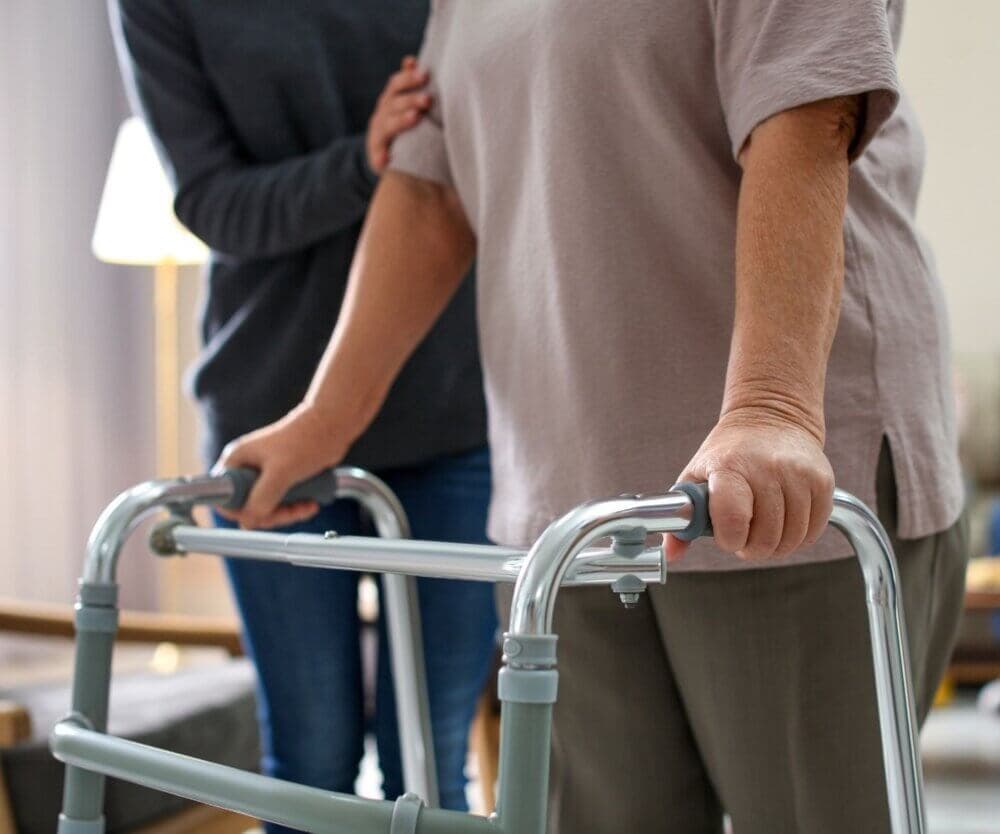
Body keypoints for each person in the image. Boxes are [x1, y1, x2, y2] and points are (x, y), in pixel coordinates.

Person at [219, 1, 969, 831]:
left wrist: (772, 403)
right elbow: (432, 189)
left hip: (772, 494)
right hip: (569, 513)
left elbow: (806, 111)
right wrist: (324, 419)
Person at [109, 0, 497, 821]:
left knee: (426, 765)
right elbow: (211, 203)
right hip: (272, 417)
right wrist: (364, 159)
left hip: (454, 411)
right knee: (309, 761)